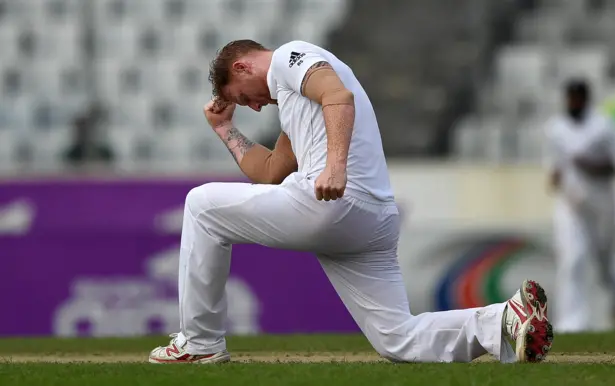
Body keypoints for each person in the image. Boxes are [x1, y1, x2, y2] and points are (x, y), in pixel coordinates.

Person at [148, 40, 553, 364]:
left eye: (243, 98)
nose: (254, 106)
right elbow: (272, 171)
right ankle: (503, 320)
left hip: (332, 200)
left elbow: (337, 96)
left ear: (242, 67)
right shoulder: (293, 100)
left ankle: (199, 343)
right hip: (371, 220)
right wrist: (224, 129)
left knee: (201, 205)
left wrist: (335, 167)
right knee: (398, 339)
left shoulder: (291, 56)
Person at [545, 79, 615, 332]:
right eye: (569, 98)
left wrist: (591, 166)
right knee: (572, 259)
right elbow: (553, 167)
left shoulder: (604, 126)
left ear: (585, 99)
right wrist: (556, 178)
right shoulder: (555, 128)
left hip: (602, 205)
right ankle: (572, 322)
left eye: (576, 99)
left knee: (604, 262)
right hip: (571, 206)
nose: (572, 103)